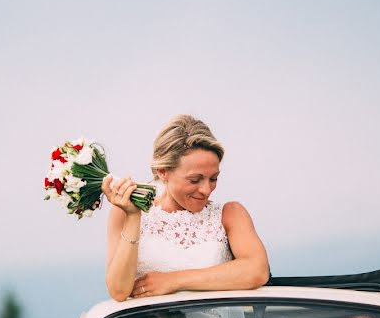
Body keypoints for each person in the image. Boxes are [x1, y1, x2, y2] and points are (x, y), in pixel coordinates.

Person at [101, 114, 270, 302]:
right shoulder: (124, 214)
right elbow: (118, 291)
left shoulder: (230, 214)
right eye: (194, 180)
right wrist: (133, 216)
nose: (206, 190)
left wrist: (173, 281)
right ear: (163, 172)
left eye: (213, 178)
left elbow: (257, 270)